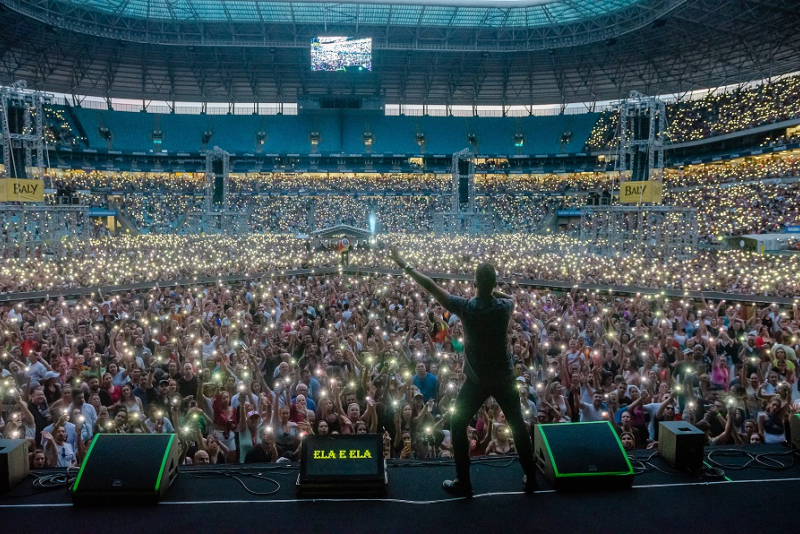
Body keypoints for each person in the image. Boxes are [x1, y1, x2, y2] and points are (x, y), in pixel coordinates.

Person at [389, 246, 537, 497]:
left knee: (457, 424)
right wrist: (490, 290)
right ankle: (531, 478)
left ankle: (464, 482)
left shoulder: (467, 307)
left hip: (477, 380)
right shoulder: (504, 308)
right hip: (504, 377)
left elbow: (432, 287)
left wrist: (404, 264)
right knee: (517, 427)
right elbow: (509, 298)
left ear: (475, 282)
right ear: (493, 283)